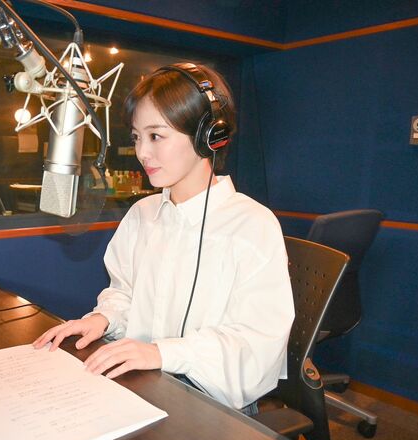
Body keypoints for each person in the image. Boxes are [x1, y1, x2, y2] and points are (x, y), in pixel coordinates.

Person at [34, 63, 295, 414]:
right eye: (136, 137)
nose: (142, 152)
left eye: (156, 136)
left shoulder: (252, 226)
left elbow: (255, 346)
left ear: (208, 136)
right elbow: (124, 292)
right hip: (142, 381)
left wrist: (162, 353)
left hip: (214, 404)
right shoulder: (141, 214)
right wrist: (103, 319)